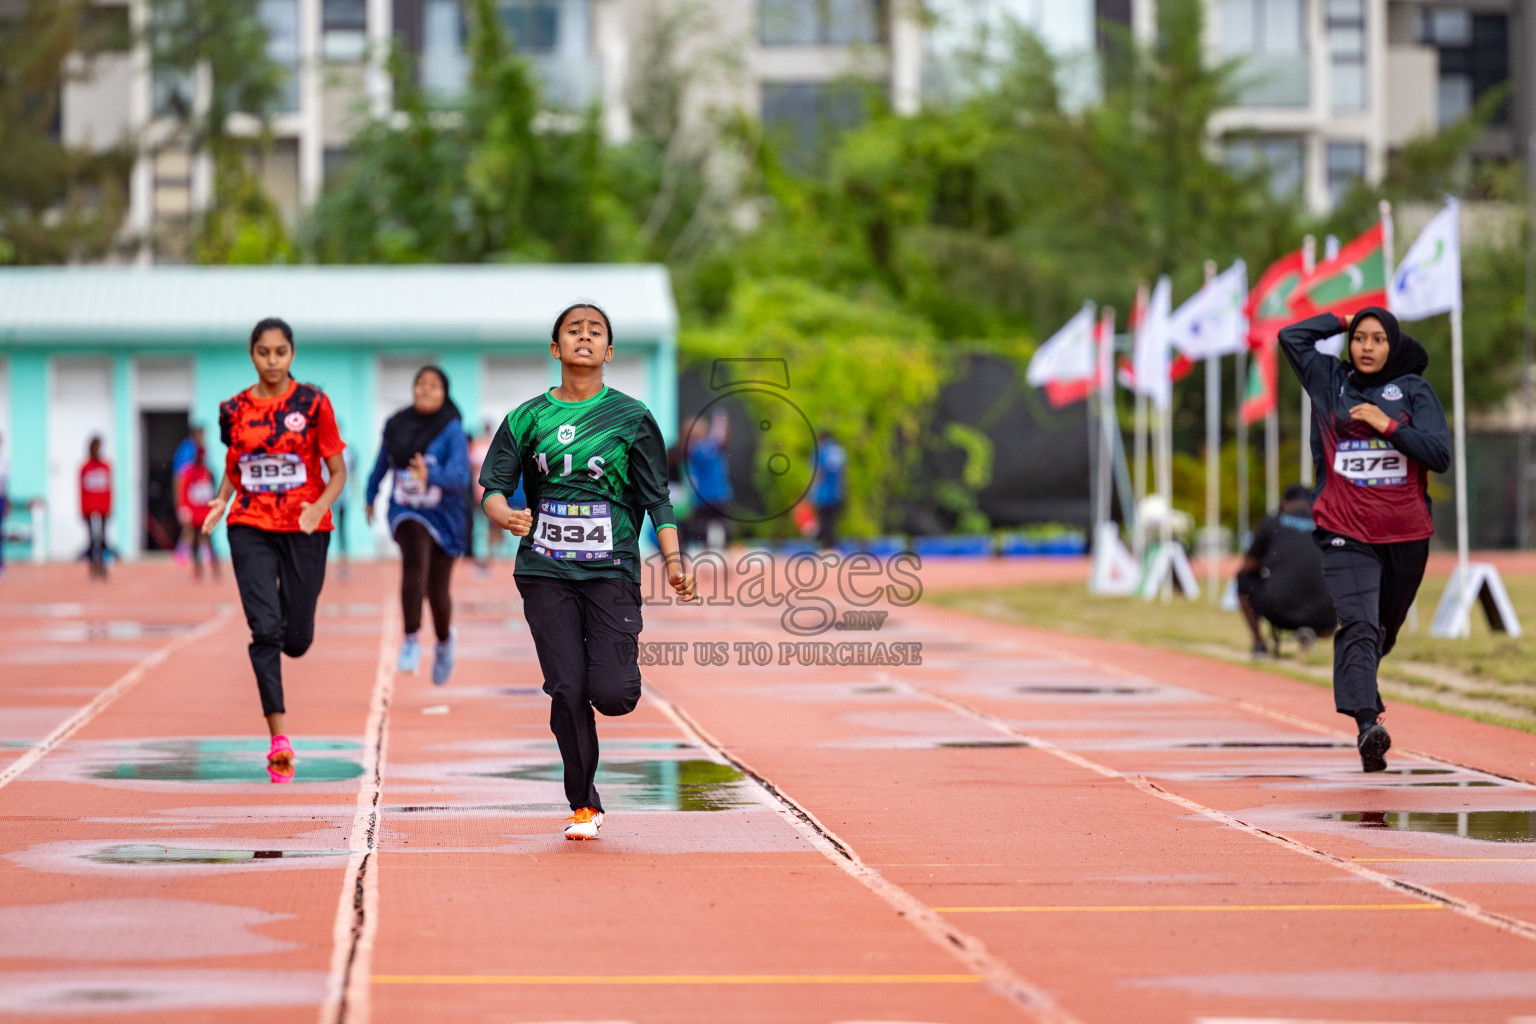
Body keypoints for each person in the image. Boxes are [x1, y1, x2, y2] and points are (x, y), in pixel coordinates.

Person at [480, 302, 697, 840]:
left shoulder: (631, 418)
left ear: (609, 351)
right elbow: (492, 491)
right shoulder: (527, 419)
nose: (584, 337)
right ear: (556, 349)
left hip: (611, 572)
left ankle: (606, 698)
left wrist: (673, 561)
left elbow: (657, 499)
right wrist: (507, 516)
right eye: (573, 331)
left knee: (615, 694)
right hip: (544, 570)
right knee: (566, 687)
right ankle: (583, 803)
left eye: (594, 331)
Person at [1280, 306, 1450, 773]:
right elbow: (1291, 336)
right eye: (1360, 338)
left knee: (1381, 632)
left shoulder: (1414, 390)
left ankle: (1365, 699)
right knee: (1357, 623)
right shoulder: (1328, 378)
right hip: (1343, 527)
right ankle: (1367, 726)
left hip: (1406, 533)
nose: (1367, 347)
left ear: (1392, 345)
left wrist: (1388, 425)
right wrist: (1342, 317)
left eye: (1378, 339)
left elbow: (1439, 455)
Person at [202, 317, 347, 784]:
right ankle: (279, 736)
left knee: (297, 640)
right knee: (264, 628)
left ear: (292, 354)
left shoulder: (313, 403)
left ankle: (289, 632)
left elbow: (338, 472)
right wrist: (222, 500)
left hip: (306, 527)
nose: (272, 360)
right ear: (252, 354)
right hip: (250, 525)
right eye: (263, 352)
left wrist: (317, 506)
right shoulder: (233, 409)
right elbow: (235, 464)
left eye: (280, 352)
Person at [365, 366, 470, 685]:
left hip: (445, 515)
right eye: (420, 385)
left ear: (445, 393)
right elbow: (381, 464)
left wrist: (431, 476)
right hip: (405, 511)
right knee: (414, 554)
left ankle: (443, 641)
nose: (425, 390)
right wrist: (370, 496)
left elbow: (461, 477)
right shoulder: (397, 425)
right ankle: (410, 639)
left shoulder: (451, 429)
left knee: (437, 591)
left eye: (434, 386)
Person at [1236, 484, 1336, 658]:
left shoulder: (1272, 521)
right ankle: (1312, 631)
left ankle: (1259, 643)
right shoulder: (1328, 524)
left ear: (1284, 503)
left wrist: (1271, 563)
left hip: (1280, 612)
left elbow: (1248, 566)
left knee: (1243, 578)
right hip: (1325, 617)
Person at [685, 410, 732, 550]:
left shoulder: (700, 448)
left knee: (713, 528)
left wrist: (720, 425)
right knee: (707, 528)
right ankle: (712, 553)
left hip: (712, 495)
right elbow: (719, 441)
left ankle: (714, 553)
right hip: (710, 495)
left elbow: (720, 441)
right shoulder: (698, 450)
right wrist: (720, 424)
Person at [176, 442, 219, 580]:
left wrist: (215, 510)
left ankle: (215, 567)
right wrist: (184, 509)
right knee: (194, 542)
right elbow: (184, 492)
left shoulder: (209, 473)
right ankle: (197, 567)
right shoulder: (190, 474)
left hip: (206, 513)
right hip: (195, 513)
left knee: (209, 541)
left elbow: (215, 493)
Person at [79, 436, 113, 580]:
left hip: (102, 507)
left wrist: (109, 506)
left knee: (103, 539)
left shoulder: (105, 466)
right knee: (92, 540)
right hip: (89, 508)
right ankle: (93, 566)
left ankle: (104, 565)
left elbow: (109, 488)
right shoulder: (85, 468)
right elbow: (81, 489)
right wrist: (83, 509)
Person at [812, 430, 847, 549]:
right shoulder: (839, 451)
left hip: (823, 492)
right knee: (832, 521)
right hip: (836, 492)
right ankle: (832, 545)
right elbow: (843, 474)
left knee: (823, 520)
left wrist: (811, 491)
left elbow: (818, 473)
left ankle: (825, 547)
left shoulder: (820, 451)